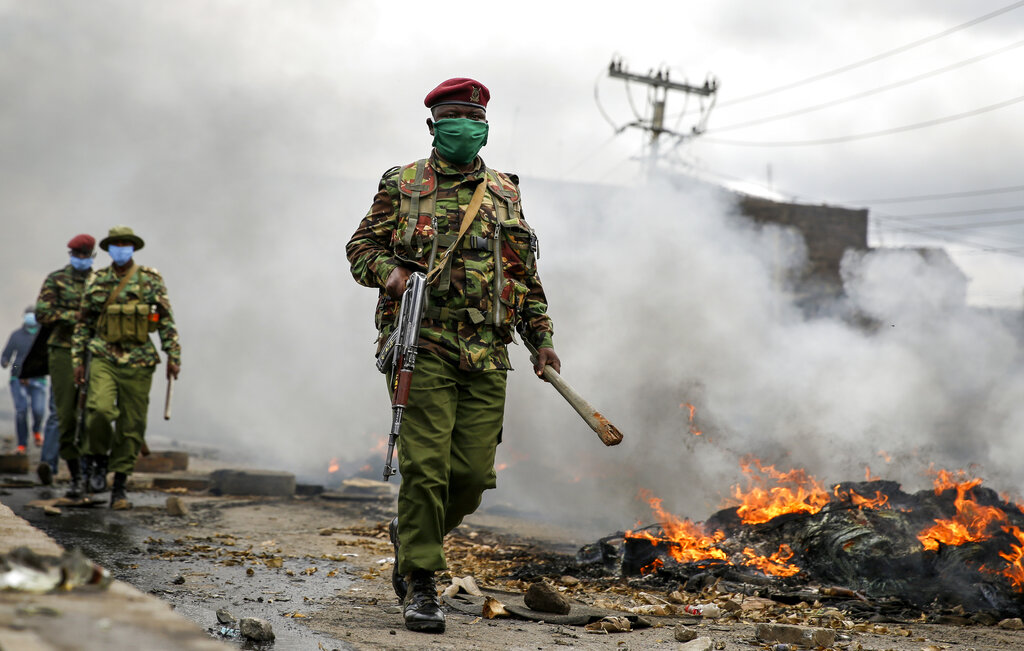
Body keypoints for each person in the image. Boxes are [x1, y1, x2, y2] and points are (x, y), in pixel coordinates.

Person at [346, 78, 559, 634]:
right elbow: (360, 247)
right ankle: (421, 581)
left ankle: (412, 533)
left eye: (473, 115)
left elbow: (523, 274)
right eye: (454, 116)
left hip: (488, 352)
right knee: (426, 467)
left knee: (471, 475)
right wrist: (390, 274)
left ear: (485, 124)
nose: (465, 124)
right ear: (435, 125)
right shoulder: (403, 183)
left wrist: (542, 340)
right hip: (424, 344)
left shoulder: (505, 193)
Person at [71, 226, 181, 510]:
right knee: (98, 411)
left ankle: (119, 486)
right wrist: (78, 362)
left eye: (126, 244)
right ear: (109, 249)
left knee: (132, 425)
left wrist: (173, 355)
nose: (121, 248)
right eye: (116, 244)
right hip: (104, 355)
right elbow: (84, 323)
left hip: (140, 359)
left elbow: (166, 320)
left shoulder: (150, 280)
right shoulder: (98, 282)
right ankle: (98, 460)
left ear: (133, 248)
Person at [34, 234, 97, 492]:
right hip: (62, 350)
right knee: (63, 414)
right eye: (77, 255)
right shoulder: (56, 279)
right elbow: (43, 313)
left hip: (92, 352)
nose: (81, 259)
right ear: (71, 255)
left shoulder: (100, 282)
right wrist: (76, 317)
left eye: (85, 255)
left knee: (92, 413)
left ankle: (89, 471)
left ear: (91, 256)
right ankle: (66, 470)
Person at [1, 307, 48, 454]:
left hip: (38, 379)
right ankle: (22, 444)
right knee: (21, 411)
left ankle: (37, 431)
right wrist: (11, 365)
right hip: (18, 379)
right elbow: (7, 356)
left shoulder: (43, 336)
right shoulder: (16, 335)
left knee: (39, 410)